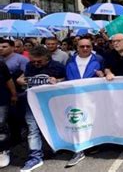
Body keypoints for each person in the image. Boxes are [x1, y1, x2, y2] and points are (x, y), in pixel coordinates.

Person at [16, 46, 65, 172]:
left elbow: (68, 81)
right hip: (32, 103)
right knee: (33, 129)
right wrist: (22, 81)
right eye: (33, 61)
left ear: (47, 58)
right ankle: (35, 156)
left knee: (53, 126)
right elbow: (25, 78)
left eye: (39, 61)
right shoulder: (29, 66)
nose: (36, 64)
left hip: (52, 104)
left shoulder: (58, 66)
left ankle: (54, 147)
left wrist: (59, 80)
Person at [64, 37, 104, 167]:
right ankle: (78, 150)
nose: (85, 49)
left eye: (88, 46)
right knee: (76, 123)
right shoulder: (70, 61)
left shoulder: (98, 59)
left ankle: (91, 144)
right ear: (77, 48)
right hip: (74, 97)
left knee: (91, 121)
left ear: (92, 47)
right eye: (82, 46)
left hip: (92, 98)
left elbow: (104, 74)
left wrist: (102, 75)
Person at [0, 61, 15, 169]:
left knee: (1, 126)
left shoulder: (1, 64)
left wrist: (14, 94)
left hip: (1, 100)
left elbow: (9, 80)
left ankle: (2, 150)